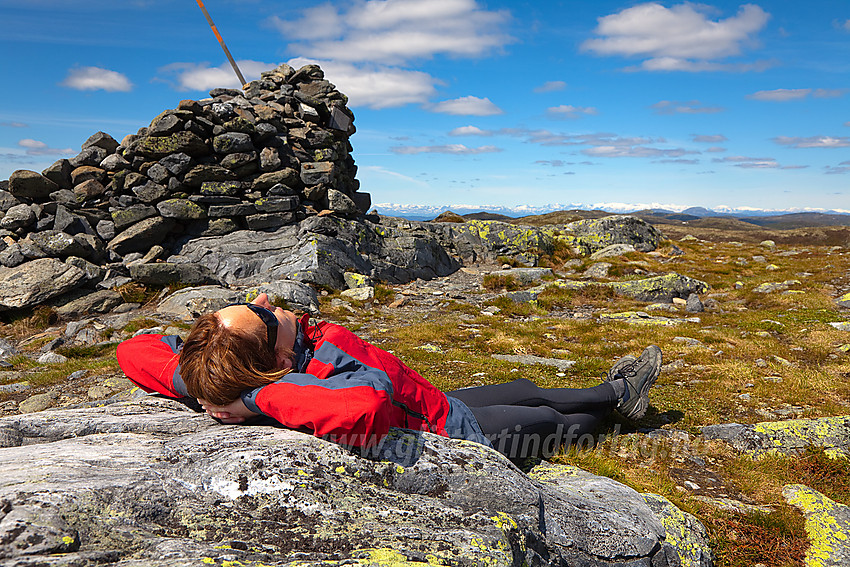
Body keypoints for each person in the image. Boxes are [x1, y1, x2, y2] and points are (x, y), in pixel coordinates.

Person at [117, 293, 662, 460]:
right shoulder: (298, 379)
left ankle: (615, 391)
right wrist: (261, 400)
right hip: (450, 433)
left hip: (434, 401)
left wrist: (214, 380)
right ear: (278, 360)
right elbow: (365, 405)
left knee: (527, 389)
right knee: (543, 418)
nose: (262, 300)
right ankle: (619, 407)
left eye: (234, 306)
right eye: (257, 313)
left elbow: (133, 351)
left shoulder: (210, 369)